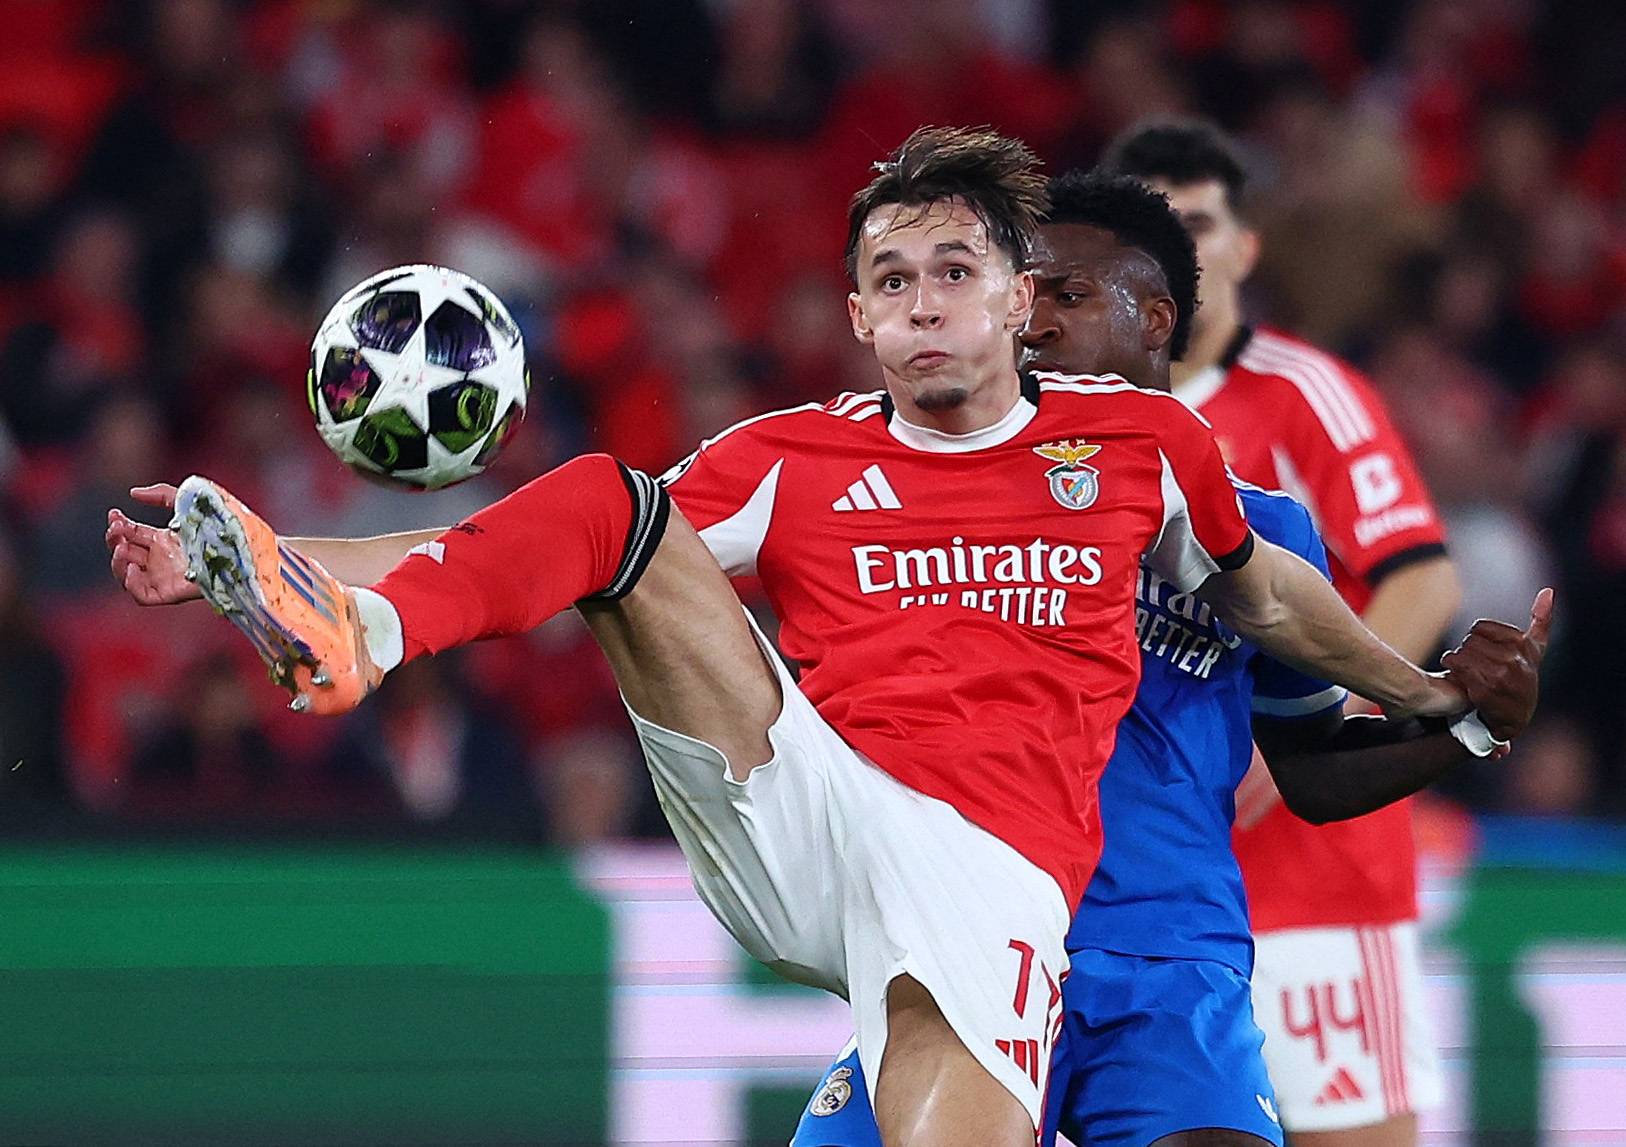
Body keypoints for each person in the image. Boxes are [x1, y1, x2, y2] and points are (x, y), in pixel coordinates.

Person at [108, 127, 1472, 1147]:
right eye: (893, 277)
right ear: (860, 318)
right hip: (807, 805)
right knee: (610, 503)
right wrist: (267, 563)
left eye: (955, 269)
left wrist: (1419, 687)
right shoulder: (794, 459)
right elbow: (504, 549)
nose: (925, 298)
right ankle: (359, 636)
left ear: (1013, 299)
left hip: (989, 869)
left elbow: (1269, 598)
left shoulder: (1139, 444)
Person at [790, 173, 1547, 1147]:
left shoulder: (1262, 532)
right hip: (964, 957)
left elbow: (1312, 770)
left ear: (1155, 319)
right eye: (1023, 294)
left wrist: (1473, 723)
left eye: (1068, 294)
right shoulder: (928, 497)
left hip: (1167, 974)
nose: (1034, 322)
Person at [1102, 119, 1463, 1147]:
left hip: (1317, 872)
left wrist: (1316, 716)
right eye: (1154, 226)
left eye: (1202, 223)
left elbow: (1422, 575)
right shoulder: (1071, 424)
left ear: (1246, 247)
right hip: (1153, 897)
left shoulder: (1306, 397)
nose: (1184, 248)